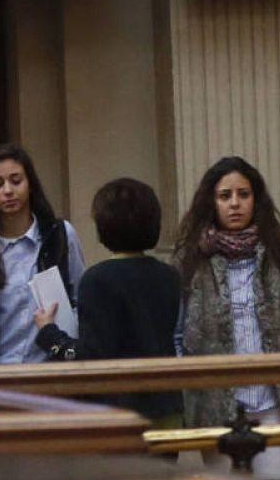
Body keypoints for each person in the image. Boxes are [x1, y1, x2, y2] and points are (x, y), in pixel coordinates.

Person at [174, 157, 280, 479]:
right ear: (212, 202)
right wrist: (186, 397)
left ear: (255, 199)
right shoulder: (190, 255)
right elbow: (179, 335)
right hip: (216, 406)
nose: (235, 204)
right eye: (225, 196)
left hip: (276, 401)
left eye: (243, 195)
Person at [29, 179, 182, 426]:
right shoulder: (169, 276)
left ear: (103, 226)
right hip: (166, 408)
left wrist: (49, 334)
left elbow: (89, 357)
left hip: (117, 412)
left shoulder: (96, 280)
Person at [0, 144, 86, 366]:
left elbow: (81, 300)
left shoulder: (59, 235)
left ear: (30, 184)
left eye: (16, 180)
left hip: (54, 372)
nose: (8, 191)